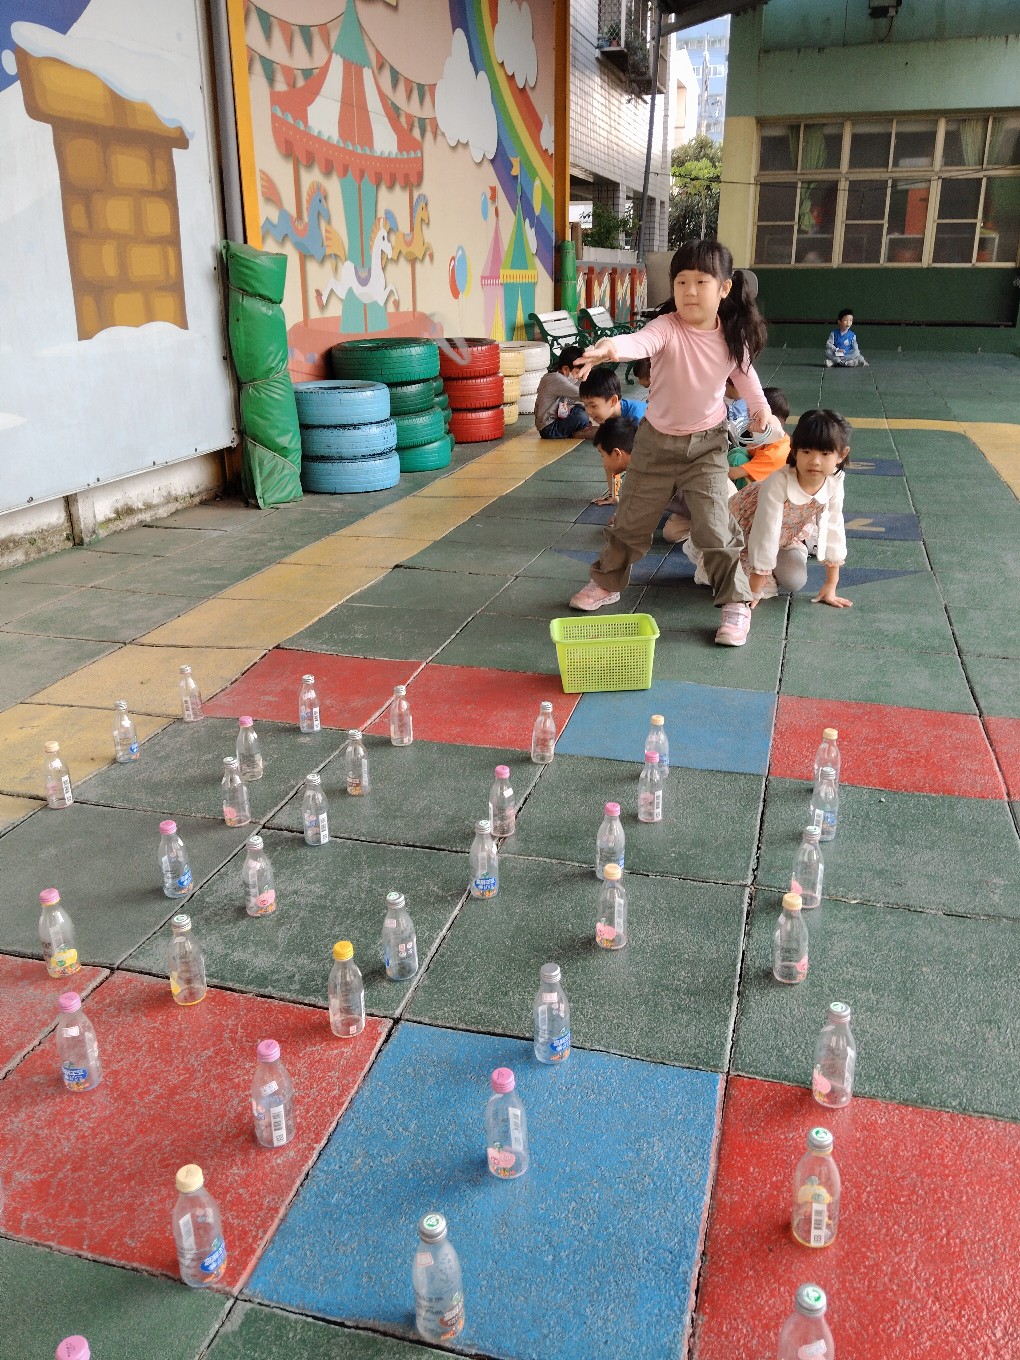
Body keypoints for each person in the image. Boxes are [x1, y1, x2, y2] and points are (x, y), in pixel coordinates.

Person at [568, 239, 776, 648]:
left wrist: (762, 412)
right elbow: (638, 342)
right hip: (655, 444)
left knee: (715, 526)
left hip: (707, 448)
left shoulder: (732, 338)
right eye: (681, 282)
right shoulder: (666, 327)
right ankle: (606, 583)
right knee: (630, 520)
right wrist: (609, 348)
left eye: (701, 281)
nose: (690, 291)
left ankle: (736, 603)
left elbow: (749, 382)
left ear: (725, 288)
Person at [730, 408, 852, 608]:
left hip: (785, 536)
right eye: (806, 451)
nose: (815, 461)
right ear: (794, 450)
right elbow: (765, 532)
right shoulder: (778, 482)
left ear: (841, 455)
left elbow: (834, 527)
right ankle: (758, 569)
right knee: (735, 583)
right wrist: (754, 589)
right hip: (741, 533)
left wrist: (831, 584)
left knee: (795, 581)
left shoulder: (835, 480)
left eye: (825, 453)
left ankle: (778, 559)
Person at [578, 367, 647, 504]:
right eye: (585, 405)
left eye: (593, 405)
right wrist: (613, 495)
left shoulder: (637, 419)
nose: (589, 412)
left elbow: (642, 465)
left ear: (613, 401)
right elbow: (610, 461)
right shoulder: (607, 419)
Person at [727, 386, 791, 490]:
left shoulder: (773, 455)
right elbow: (749, 450)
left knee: (736, 459)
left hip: (765, 491)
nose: (749, 419)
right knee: (738, 452)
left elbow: (733, 474)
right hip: (765, 480)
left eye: (752, 414)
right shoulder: (776, 440)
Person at [534, 345, 597, 439]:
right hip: (548, 428)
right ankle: (579, 432)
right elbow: (581, 394)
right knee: (581, 415)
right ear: (566, 369)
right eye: (577, 373)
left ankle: (581, 429)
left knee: (581, 408)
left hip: (556, 420)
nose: (578, 377)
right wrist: (601, 397)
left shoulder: (556, 376)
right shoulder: (556, 379)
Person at [590, 415, 639, 516]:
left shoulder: (645, 473)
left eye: (602, 455)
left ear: (617, 454)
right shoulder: (637, 463)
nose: (603, 462)